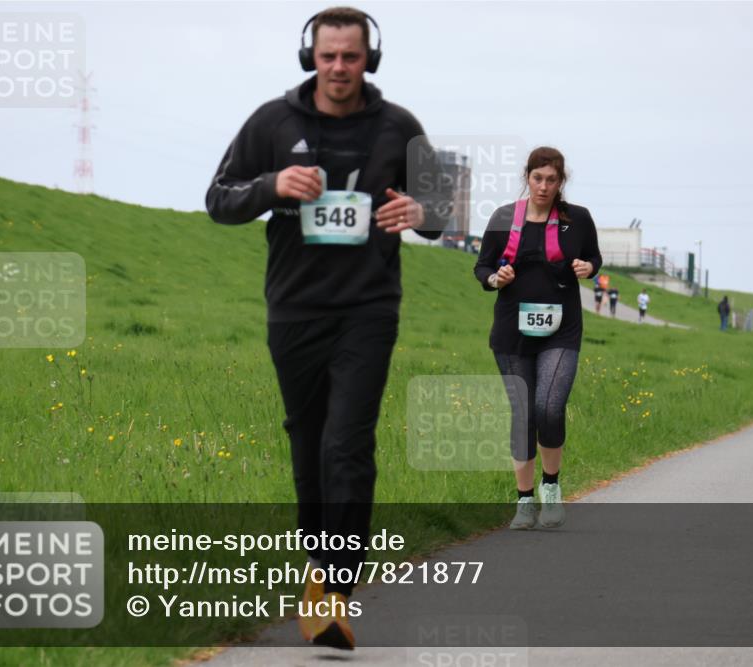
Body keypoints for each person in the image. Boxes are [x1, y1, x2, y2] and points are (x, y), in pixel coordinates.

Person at [205, 7, 447, 650]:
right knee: (308, 439)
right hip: (294, 308)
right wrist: (270, 185)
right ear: (310, 56)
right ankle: (318, 568)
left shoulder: (399, 127)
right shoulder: (272, 122)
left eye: (352, 57)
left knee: (348, 441)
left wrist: (421, 210)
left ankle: (337, 586)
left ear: (371, 60)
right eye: (328, 56)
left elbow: (442, 212)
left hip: (368, 308)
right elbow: (218, 199)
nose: (339, 68)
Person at [473, 146, 601, 531]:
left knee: (548, 406)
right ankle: (524, 501)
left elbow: (594, 258)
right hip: (512, 330)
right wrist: (496, 279)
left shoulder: (578, 219)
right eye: (537, 178)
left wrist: (588, 266)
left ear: (562, 181)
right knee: (524, 415)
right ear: (526, 177)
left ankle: (551, 489)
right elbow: (481, 267)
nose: (544, 186)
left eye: (552, 179)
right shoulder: (502, 218)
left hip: (561, 329)